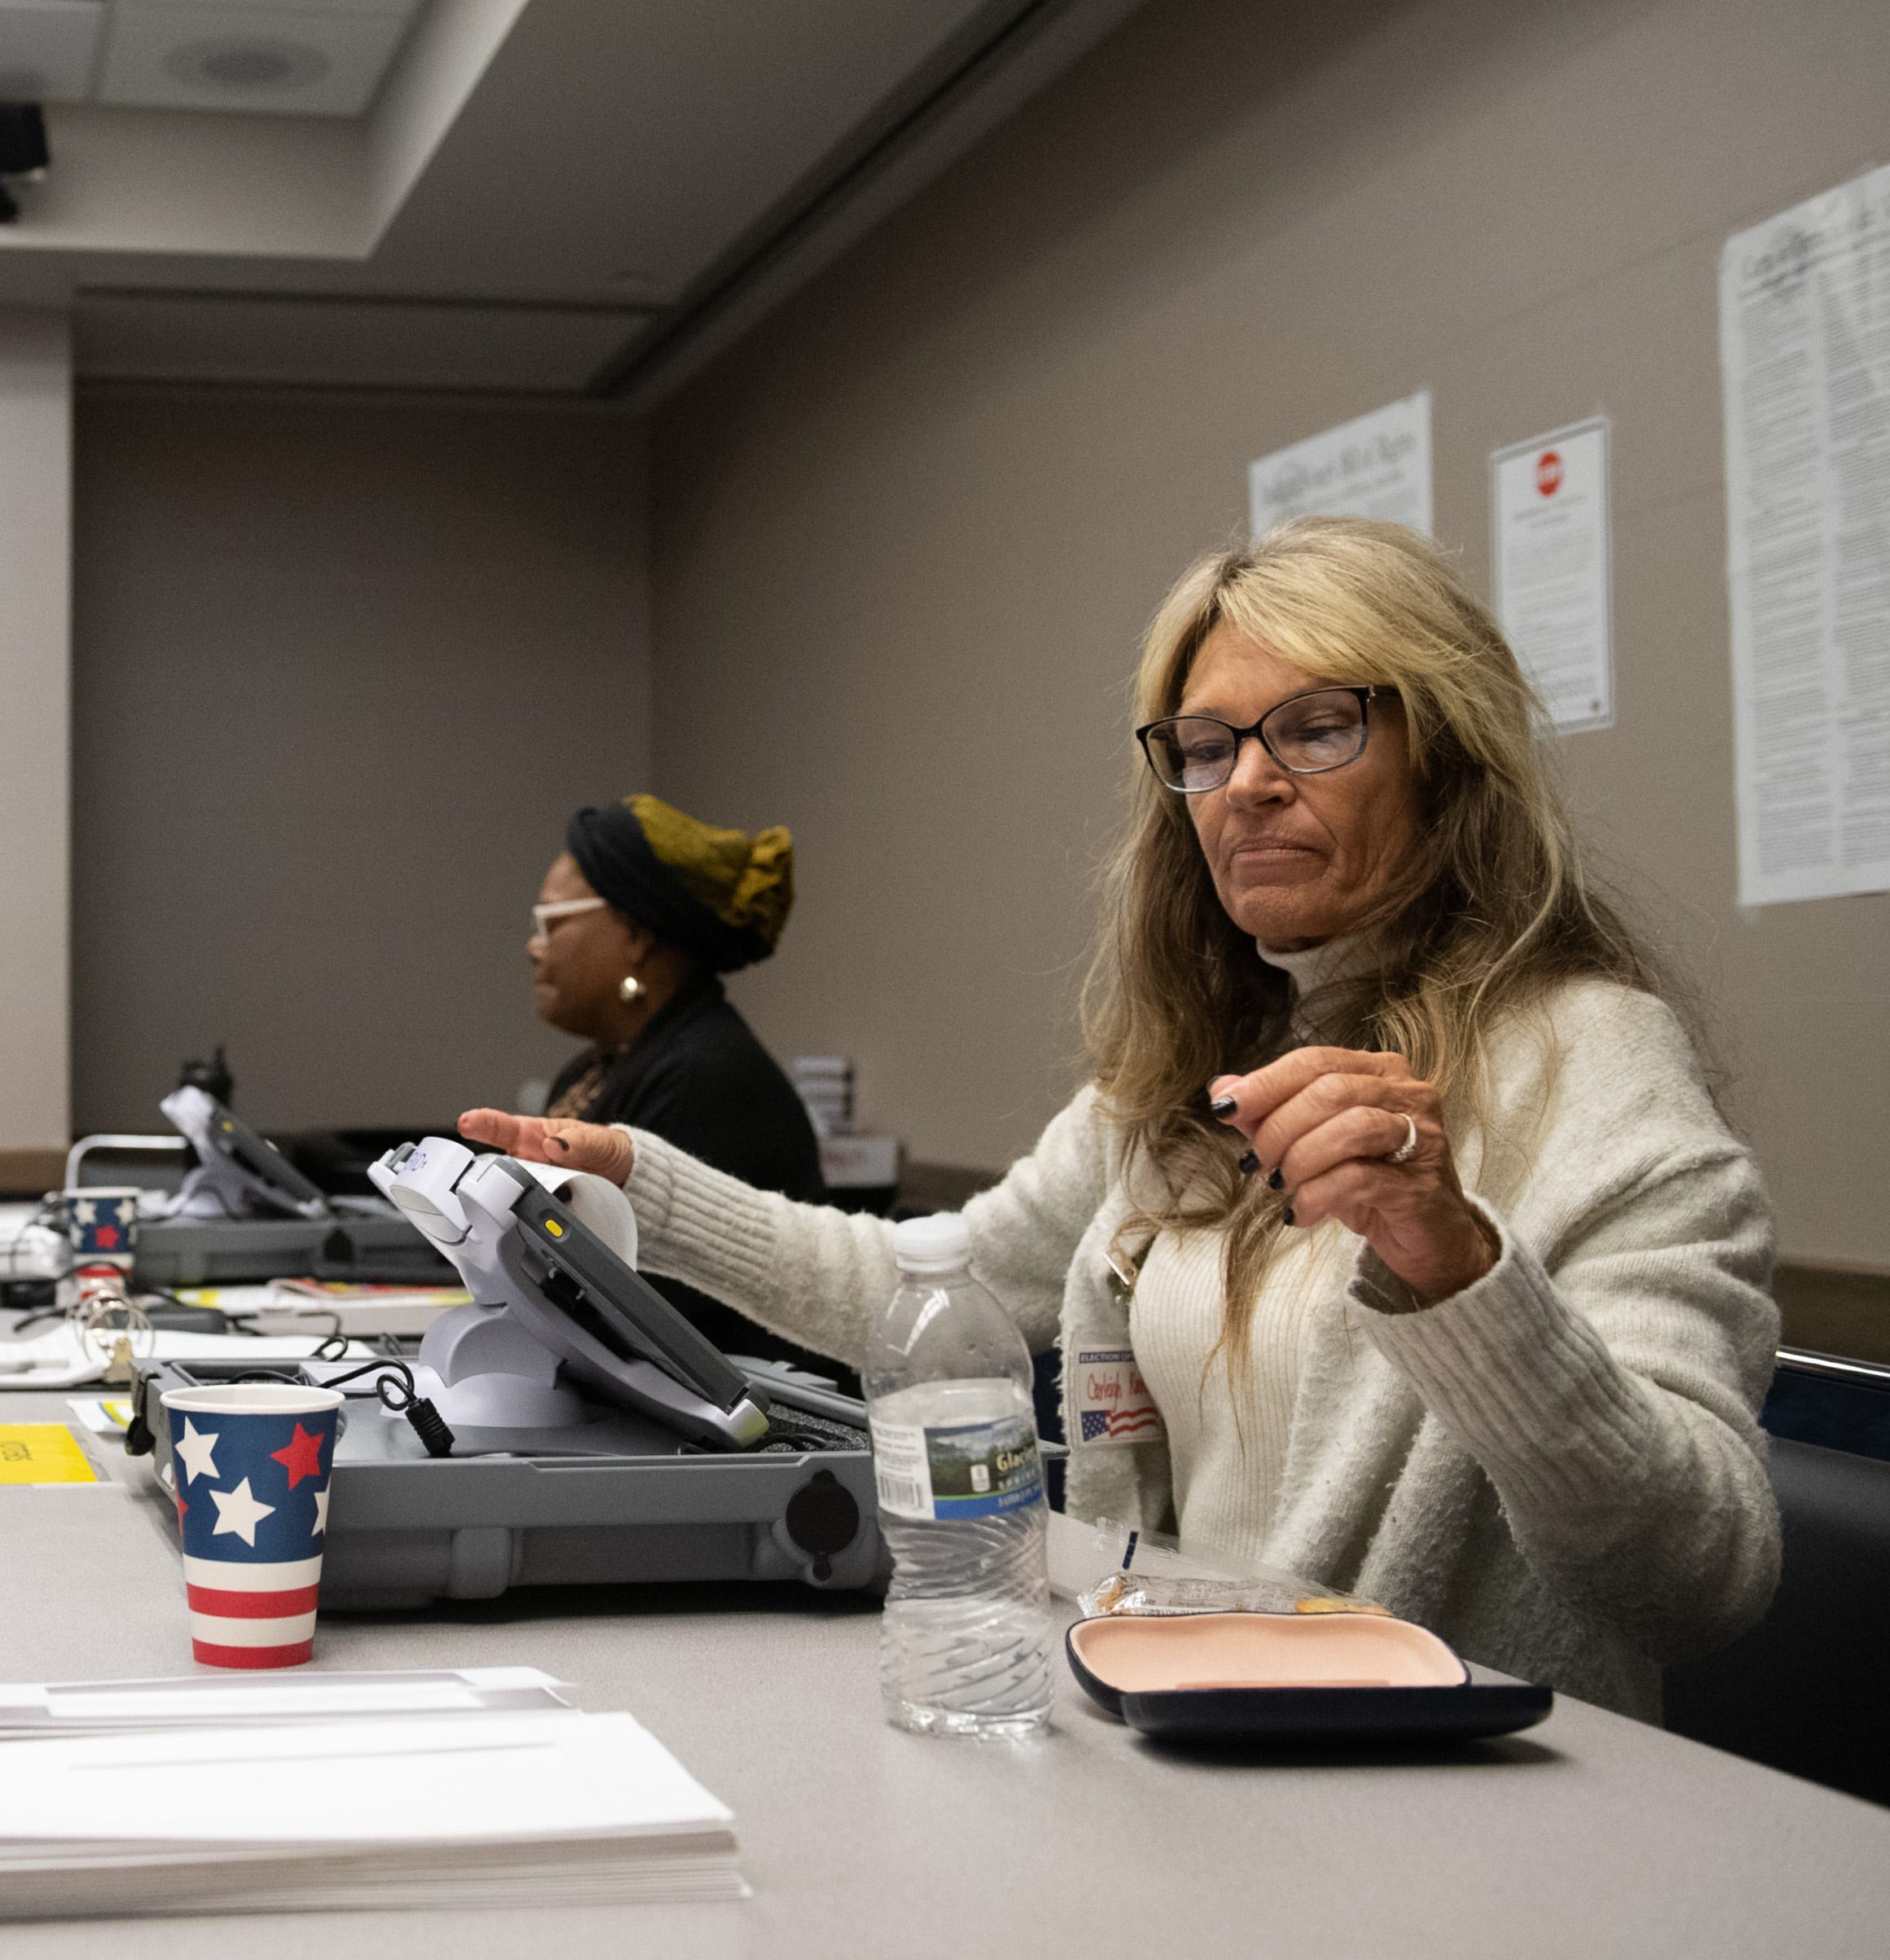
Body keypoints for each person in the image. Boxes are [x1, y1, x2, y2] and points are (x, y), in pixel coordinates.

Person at [468, 518, 1779, 1716]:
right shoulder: (1192, 1076)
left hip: (1452, 1801)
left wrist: (1461, 1267)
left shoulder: (1590, 1060)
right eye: (1207, 748)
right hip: (1194, 1729)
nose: (1248, 784)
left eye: (1317, 727)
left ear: (1447, 762)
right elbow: (924, 1280)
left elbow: (1701, 1575)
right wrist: (639, 1184)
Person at [527, 794, 830, 1373]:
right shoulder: (603, 1066)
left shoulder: (708, 1080)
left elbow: (644, 1316)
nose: (534, 947)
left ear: (636, 932)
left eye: (551, 922)